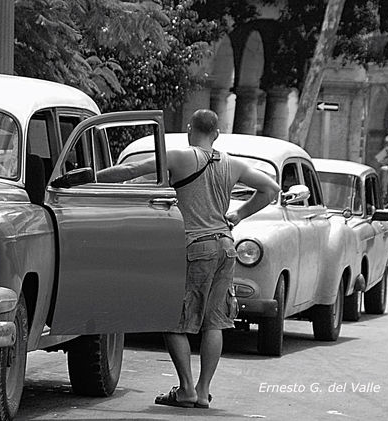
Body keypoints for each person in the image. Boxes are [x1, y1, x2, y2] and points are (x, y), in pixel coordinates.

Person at [97, 109, 280, 409]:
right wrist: (238, 214)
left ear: (189, 129)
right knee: (214, 323)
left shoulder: (181, 158)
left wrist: (90, 178)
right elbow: (271, 188)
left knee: (173, 320)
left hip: (195, 247)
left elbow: (130, 173)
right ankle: (203, 391)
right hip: (225, 247)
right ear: (217, 133)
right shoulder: (231, 163)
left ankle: (185, 390)